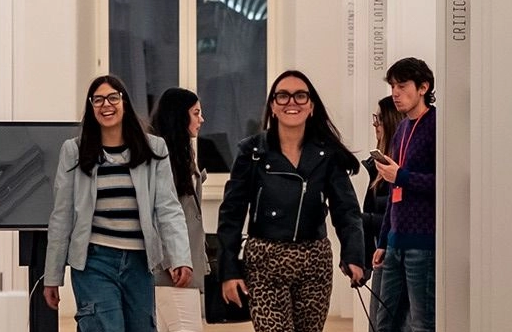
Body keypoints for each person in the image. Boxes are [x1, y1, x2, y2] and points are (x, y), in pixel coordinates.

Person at [216, 69, 366, 332]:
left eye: (300, 96)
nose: (291, 103)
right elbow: (231, 213)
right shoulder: (252, 152)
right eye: (283, 96)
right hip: (264, 261)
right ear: (273, 106)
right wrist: (229, 271)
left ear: (311, 106)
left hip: (314, 261)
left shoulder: (327, 154)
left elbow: (347, 210)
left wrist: (353, 254)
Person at [44, 75, 195, 332]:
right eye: (98, 100)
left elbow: (168, 208)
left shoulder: (154, 148)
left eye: (113, 97)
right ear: (91, 108)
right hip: (94, 261)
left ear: (124, 102)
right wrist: (52, 276)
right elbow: (62, 216)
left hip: (139, 262)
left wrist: (180, 256)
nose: (106, 105)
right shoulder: (74, 151)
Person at [371, 58, 437, 332]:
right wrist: (384, 240)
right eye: (392, 86)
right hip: (397, 240)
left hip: (423, 240)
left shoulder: (436, 125)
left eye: (402, 86)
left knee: (421, 321)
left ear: (423, 87)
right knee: (384, 321)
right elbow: (393, 192)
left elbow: (444, 185)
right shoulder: (401, 129)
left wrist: (401, 177)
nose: (395, 93)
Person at [149, 87, 209, 332]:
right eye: (196, 113)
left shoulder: (183, 154)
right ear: (179, 116)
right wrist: (174, 260)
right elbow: (159, 214)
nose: (201, 119)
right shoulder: (163, 158)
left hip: (180, 266)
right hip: (174, 270)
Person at [361, 95, 407, 328]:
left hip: (395, 251)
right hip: (381, 251)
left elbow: (397, 214)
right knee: (379, 321)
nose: (374, 124)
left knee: (387, 321)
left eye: (378, 118)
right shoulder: (375, 167)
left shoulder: (399, 167)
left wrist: (363, 220)